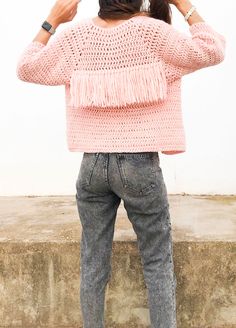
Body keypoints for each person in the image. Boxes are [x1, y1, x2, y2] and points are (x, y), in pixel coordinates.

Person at [16, 0, 226, 327]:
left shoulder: (78, 36)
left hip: (91, 166)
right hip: (140, 165)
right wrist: (183, 5)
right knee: (157, 262)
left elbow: (27, 67)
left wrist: (53, 19)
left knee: (93, 264)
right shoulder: (153, 32)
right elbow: (212, 47)